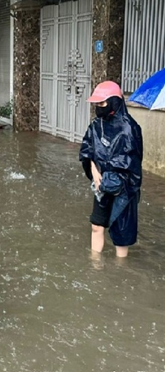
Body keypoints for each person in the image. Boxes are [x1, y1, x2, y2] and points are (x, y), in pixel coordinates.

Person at [79, 81, 143, 258]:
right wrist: (94, 171)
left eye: (102, 103)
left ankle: (120, 269)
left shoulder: (130, 128)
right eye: (96, 104)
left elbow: (133, 161)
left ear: (114, 101)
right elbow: (87, 149)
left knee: (121, 232)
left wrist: (115, 177)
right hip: (100, 183)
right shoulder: (96, 125)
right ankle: (95, 264)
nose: (99, 107)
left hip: (123, 186)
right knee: (96, 225)